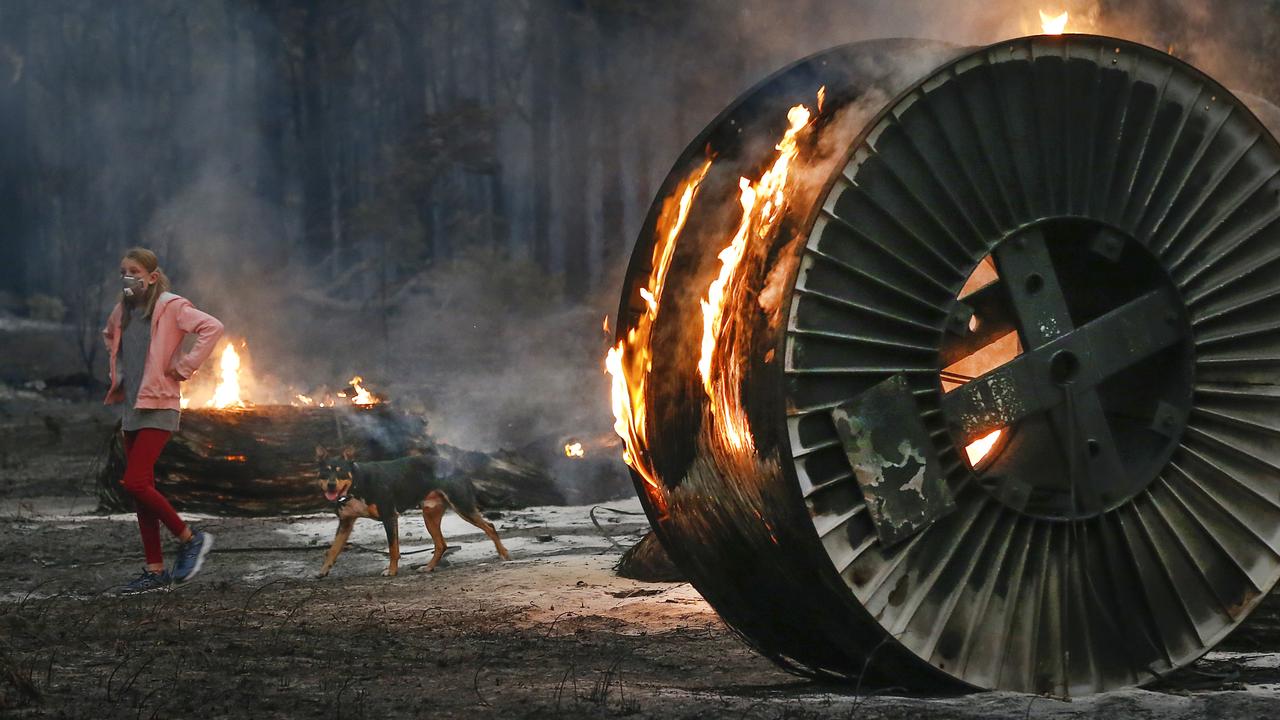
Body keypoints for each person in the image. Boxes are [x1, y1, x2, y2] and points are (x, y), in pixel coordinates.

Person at [102, 247, 224, 594]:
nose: (128, 277)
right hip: (133, 408)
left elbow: (212, 327)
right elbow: (109, 335)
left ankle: (190, 538)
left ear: (152, 277)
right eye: (123, 271)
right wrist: (118, 373)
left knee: (135, 482)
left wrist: (184, 367)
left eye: (135, 272)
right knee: (142, 492)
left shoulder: (171, 307)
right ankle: (155, 571)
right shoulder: (123, 311)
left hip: (161, 405)